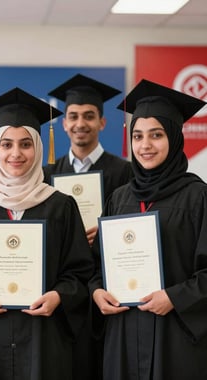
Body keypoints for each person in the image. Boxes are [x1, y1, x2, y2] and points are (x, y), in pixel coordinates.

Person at [0, 87, 95, 380]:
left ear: (38, 147)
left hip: (43, 337)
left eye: (25, 144)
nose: (15, 153)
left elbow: (80, 272)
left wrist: (59, 296)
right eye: (6, 144)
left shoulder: (61, 206)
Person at [89, 79, 207, 380]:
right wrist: (97, 291)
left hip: (176, 337)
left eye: (156, 135)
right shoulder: (120, 197)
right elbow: (95, 265)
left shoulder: (198, 196)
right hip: (123, 333)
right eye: (138, 136)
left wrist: (175, 298)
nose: (145, 145)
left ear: (174, 138)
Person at [43, 73, 133, 245]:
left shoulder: (125, 172)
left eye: (89, 116)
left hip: (106, 263)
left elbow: (133, 221)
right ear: (64, 124)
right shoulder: (47, 175)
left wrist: (108, 230)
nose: (80, 124)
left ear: (102, 123)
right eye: (73, 116)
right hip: (65, 267)